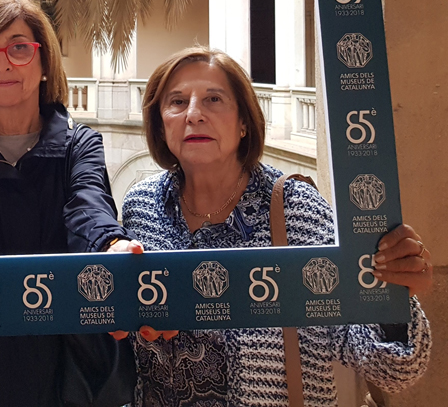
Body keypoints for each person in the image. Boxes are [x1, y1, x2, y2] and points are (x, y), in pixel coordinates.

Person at [118, 46, 432, 406]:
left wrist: (395, 296)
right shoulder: (141, 206)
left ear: (244, 122)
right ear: (160, 125)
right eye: (176, 102)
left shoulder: (295, 210)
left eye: (214, 99)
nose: (193, 114)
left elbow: (392, 368)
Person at [0, 0, 138, 407]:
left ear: (44, 62)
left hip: (65, 363)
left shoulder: (79, 144)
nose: (1, 64)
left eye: (19, 48)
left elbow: (88, 208)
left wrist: (112, 245)